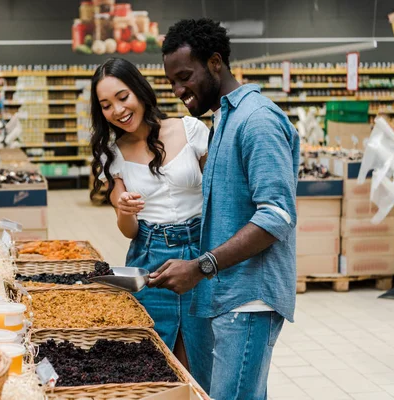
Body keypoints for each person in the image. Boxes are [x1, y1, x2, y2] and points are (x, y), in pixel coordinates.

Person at [150, 19, 299, 400]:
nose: (179, 89)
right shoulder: (225, 118)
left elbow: (276, 216)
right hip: (228, 293)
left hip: (249, 298)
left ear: (215, 62)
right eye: (171, 82)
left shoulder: (258, 120)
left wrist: (201, 267)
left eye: (185, 76)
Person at [90, 57, 213, 393]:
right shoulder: (113, 153)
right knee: (155, 361)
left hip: (200, 253)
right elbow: (128, 230)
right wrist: (126, 210)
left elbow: (219, 193)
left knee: (201, 356)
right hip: (149, 257)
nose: (117, 110)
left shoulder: (190, 130)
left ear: (140, 91)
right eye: (106, 105)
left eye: (122, 96)